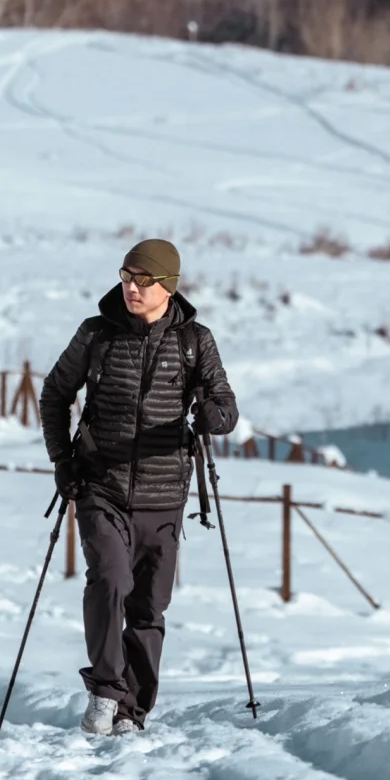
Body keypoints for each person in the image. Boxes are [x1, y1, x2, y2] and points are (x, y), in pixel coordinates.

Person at [40, 238, 238, 736]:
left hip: (164, 496)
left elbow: (226, 406)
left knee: (149, 609)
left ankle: (133, 710)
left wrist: (212, 415)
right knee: (108, 580)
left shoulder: (196, 341)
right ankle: (105, 693)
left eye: (142, 279)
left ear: (167, 286)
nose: (131, 286)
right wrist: (62, 460)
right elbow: (55, 394)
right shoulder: (96, 334)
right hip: (99, 487)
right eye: (127, 276)